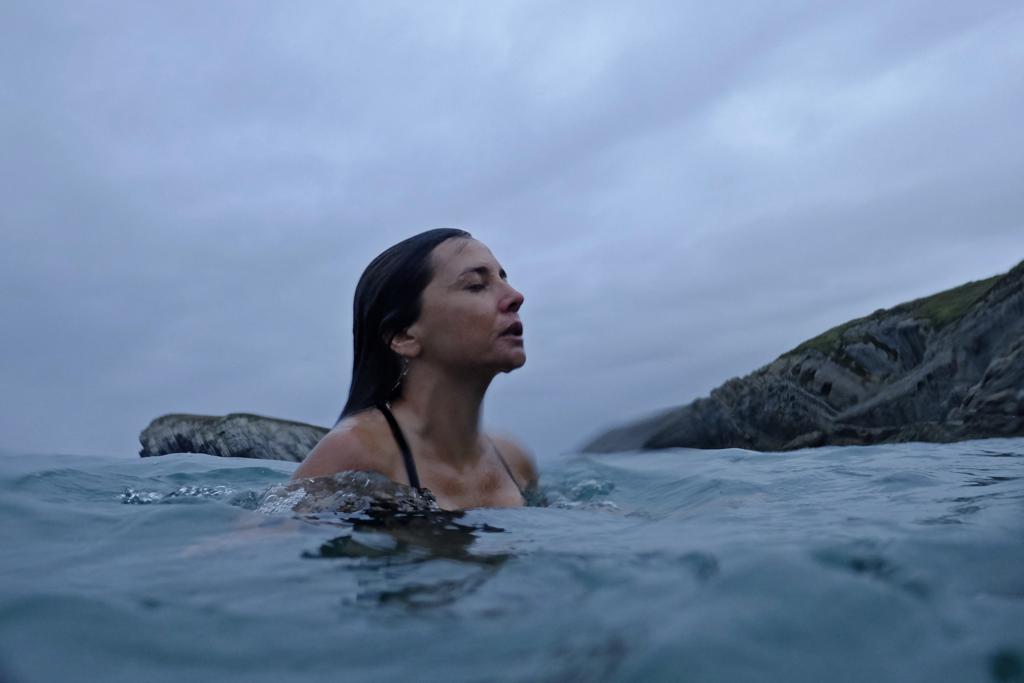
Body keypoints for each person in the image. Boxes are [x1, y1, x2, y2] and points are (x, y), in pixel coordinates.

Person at [292, 228, 538, 510]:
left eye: (503, 278)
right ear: (404, 336)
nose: (516, 296)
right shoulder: (356, 452)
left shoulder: (515, 460)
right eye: (475, 285)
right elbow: (262, 540)